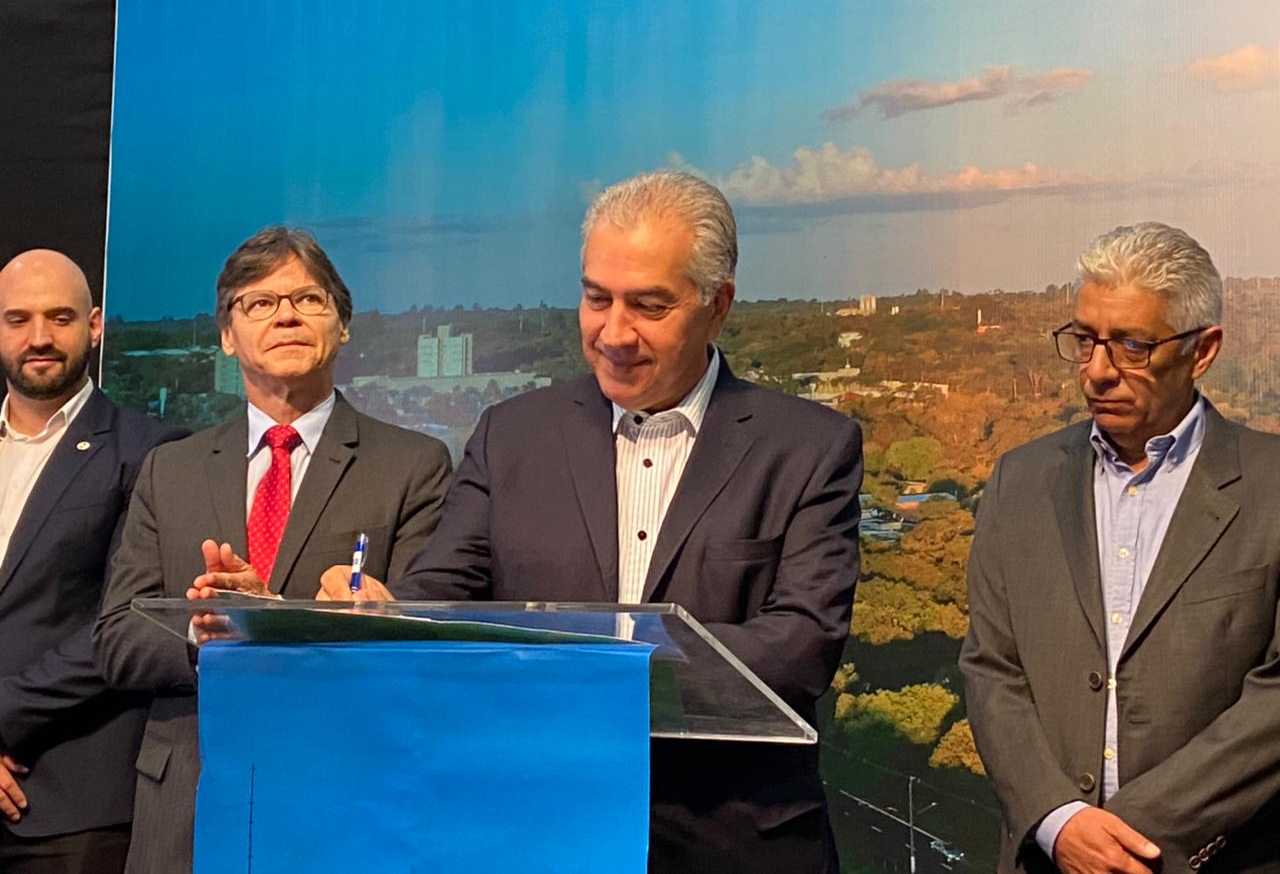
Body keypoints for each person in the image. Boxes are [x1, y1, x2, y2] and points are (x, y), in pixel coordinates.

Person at [318, 171, 864, 873]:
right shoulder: (511, 435)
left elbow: (799, 647)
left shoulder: (809, 446)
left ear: (718, 305)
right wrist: (383, 612)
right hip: (536, 833)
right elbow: (442, 594)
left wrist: (588, 670)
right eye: (596, 298)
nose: (614, 333)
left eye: (649, 306)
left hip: (733, 842)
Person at [92, 227, 452, 874]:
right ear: (227, 336)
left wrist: (296, 618)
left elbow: (432, 637)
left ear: (343, 324)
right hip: (189, 797)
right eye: (259, 302)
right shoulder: (169, 470)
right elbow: (117, 637)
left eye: (308, 299)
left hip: (342, 790)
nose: (286, 315)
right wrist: (202, 635)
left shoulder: (414, 465)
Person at [961, 222, 1280, 874]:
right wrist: (1058, 821)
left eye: (1133, 345)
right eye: (1085, 340)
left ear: (1202, 350)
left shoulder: (1270, 486)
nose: (1098, 372)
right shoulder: (1019, 481)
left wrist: (1129, 835)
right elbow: (991, 669)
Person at [0, 250, 182, 873]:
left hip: (70, 803)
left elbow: (125, 622)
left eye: (60, 318)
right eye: (18, 319)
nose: (39, 337)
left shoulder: (151, 453)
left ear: (95, 325)